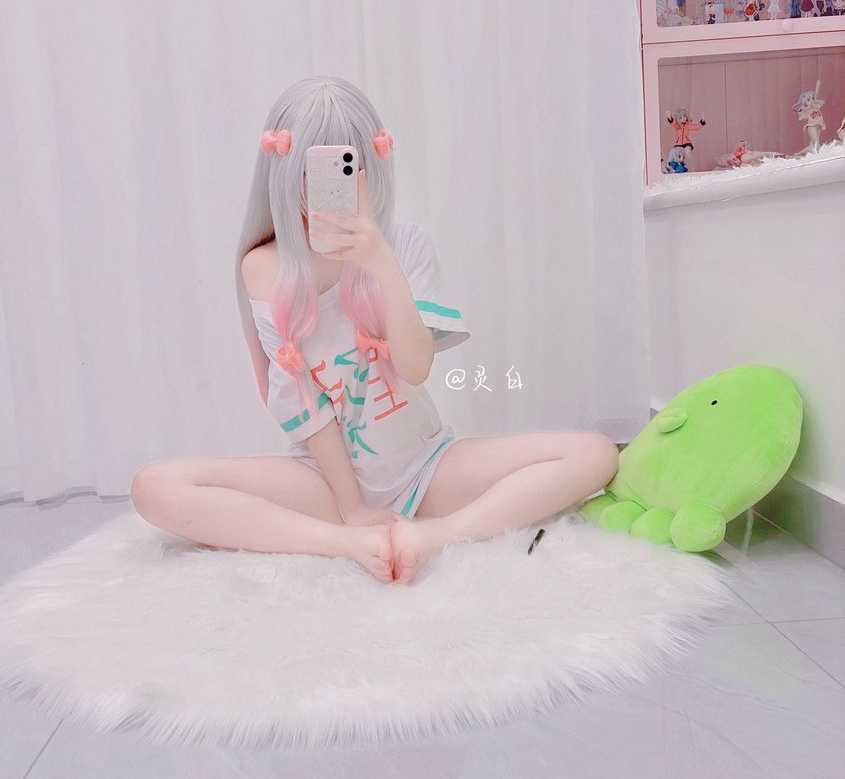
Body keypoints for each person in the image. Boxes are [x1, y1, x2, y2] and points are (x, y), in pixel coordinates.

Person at [130, 77, 619, 585]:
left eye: (345, 167)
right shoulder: (265, 268)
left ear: (370, 166)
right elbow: (303, 401)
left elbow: (415, 367)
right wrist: (352, 513)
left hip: (424, 467)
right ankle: (342, 544)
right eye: (310, 170)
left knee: (594, 452)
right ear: (283, 171)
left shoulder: (404, 246)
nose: (323, 188)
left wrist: (380, 261)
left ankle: (438, 536)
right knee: (155, 486)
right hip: (323, 481)